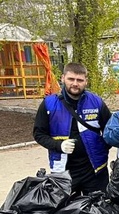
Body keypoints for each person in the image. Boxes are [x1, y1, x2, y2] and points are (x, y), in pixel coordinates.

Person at [32, 62, 111, 194]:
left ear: (86, 81)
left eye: (79, 80)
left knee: (99, 210)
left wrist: (101, 147)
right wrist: (58, 145)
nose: (75, 83)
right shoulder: (49, 103)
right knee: (66, 212)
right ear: (63, 78)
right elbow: (39, 134)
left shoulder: (96, 102)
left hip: (95, 170)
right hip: (63, 172)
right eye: (71, 79)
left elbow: (110, 131)